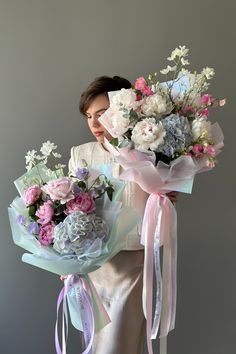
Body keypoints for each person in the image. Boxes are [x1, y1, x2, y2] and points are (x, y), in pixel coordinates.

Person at [68, 75, 178, 354]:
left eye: (102, 114)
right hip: (92, 267)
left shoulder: (149, 153)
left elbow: (161, 201)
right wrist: (67, 259)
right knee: (93, 345)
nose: (94, 123)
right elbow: (69, 211)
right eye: (89, 116)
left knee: (121, 346)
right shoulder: (81, 154)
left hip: (133, 265)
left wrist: (166, 197)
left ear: (122, 109)